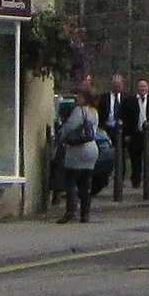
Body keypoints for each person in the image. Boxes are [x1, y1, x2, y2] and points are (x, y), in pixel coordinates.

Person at [58, 85, 100, 222]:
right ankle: (85, 213)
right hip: (91, 148)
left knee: (71, 180)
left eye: (79, 95)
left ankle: (71, 211)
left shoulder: (79, 111)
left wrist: (60, 136)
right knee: (86, 181)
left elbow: (69, 128)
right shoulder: (94, 111)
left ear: (84, 97)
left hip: (77, 149)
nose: (77, 97)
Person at [97, 73, 131, 199]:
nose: (117, 87)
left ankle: (120, 178)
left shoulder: (126, 98)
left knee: (120, 154)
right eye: (115, 85)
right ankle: (105, 177)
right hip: (107, 129)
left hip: (121, 129)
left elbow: (128, 116)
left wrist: (127, 133)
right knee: (105, 154)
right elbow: (100, 113)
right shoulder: (104, 98)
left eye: (119, 85)